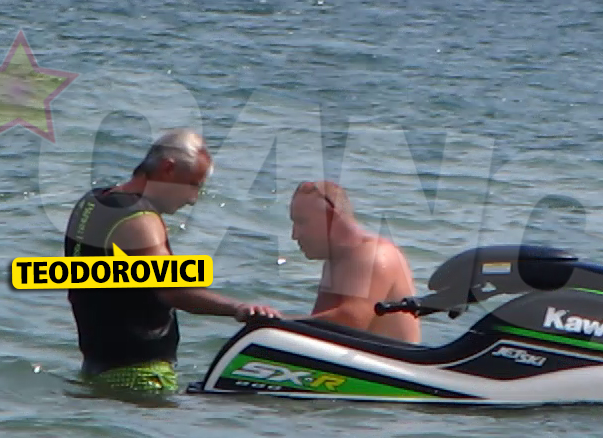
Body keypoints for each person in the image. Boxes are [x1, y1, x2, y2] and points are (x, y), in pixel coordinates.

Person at [63, 129, 282, 393]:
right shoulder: (139, 219)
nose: (192, 199)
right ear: (168, 169)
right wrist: (239, 308)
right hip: (142, 376)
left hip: (95, 368)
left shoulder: (91, 203)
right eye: (193, 185)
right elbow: (173, 290)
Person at [289, 180, 421, 344]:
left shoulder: (374, 254)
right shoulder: (336, 259)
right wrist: (265, 317)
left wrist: (277, 323)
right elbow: (318, 323)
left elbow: (351, 321)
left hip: (385, 359)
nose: (294, 235)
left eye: (301, 222)